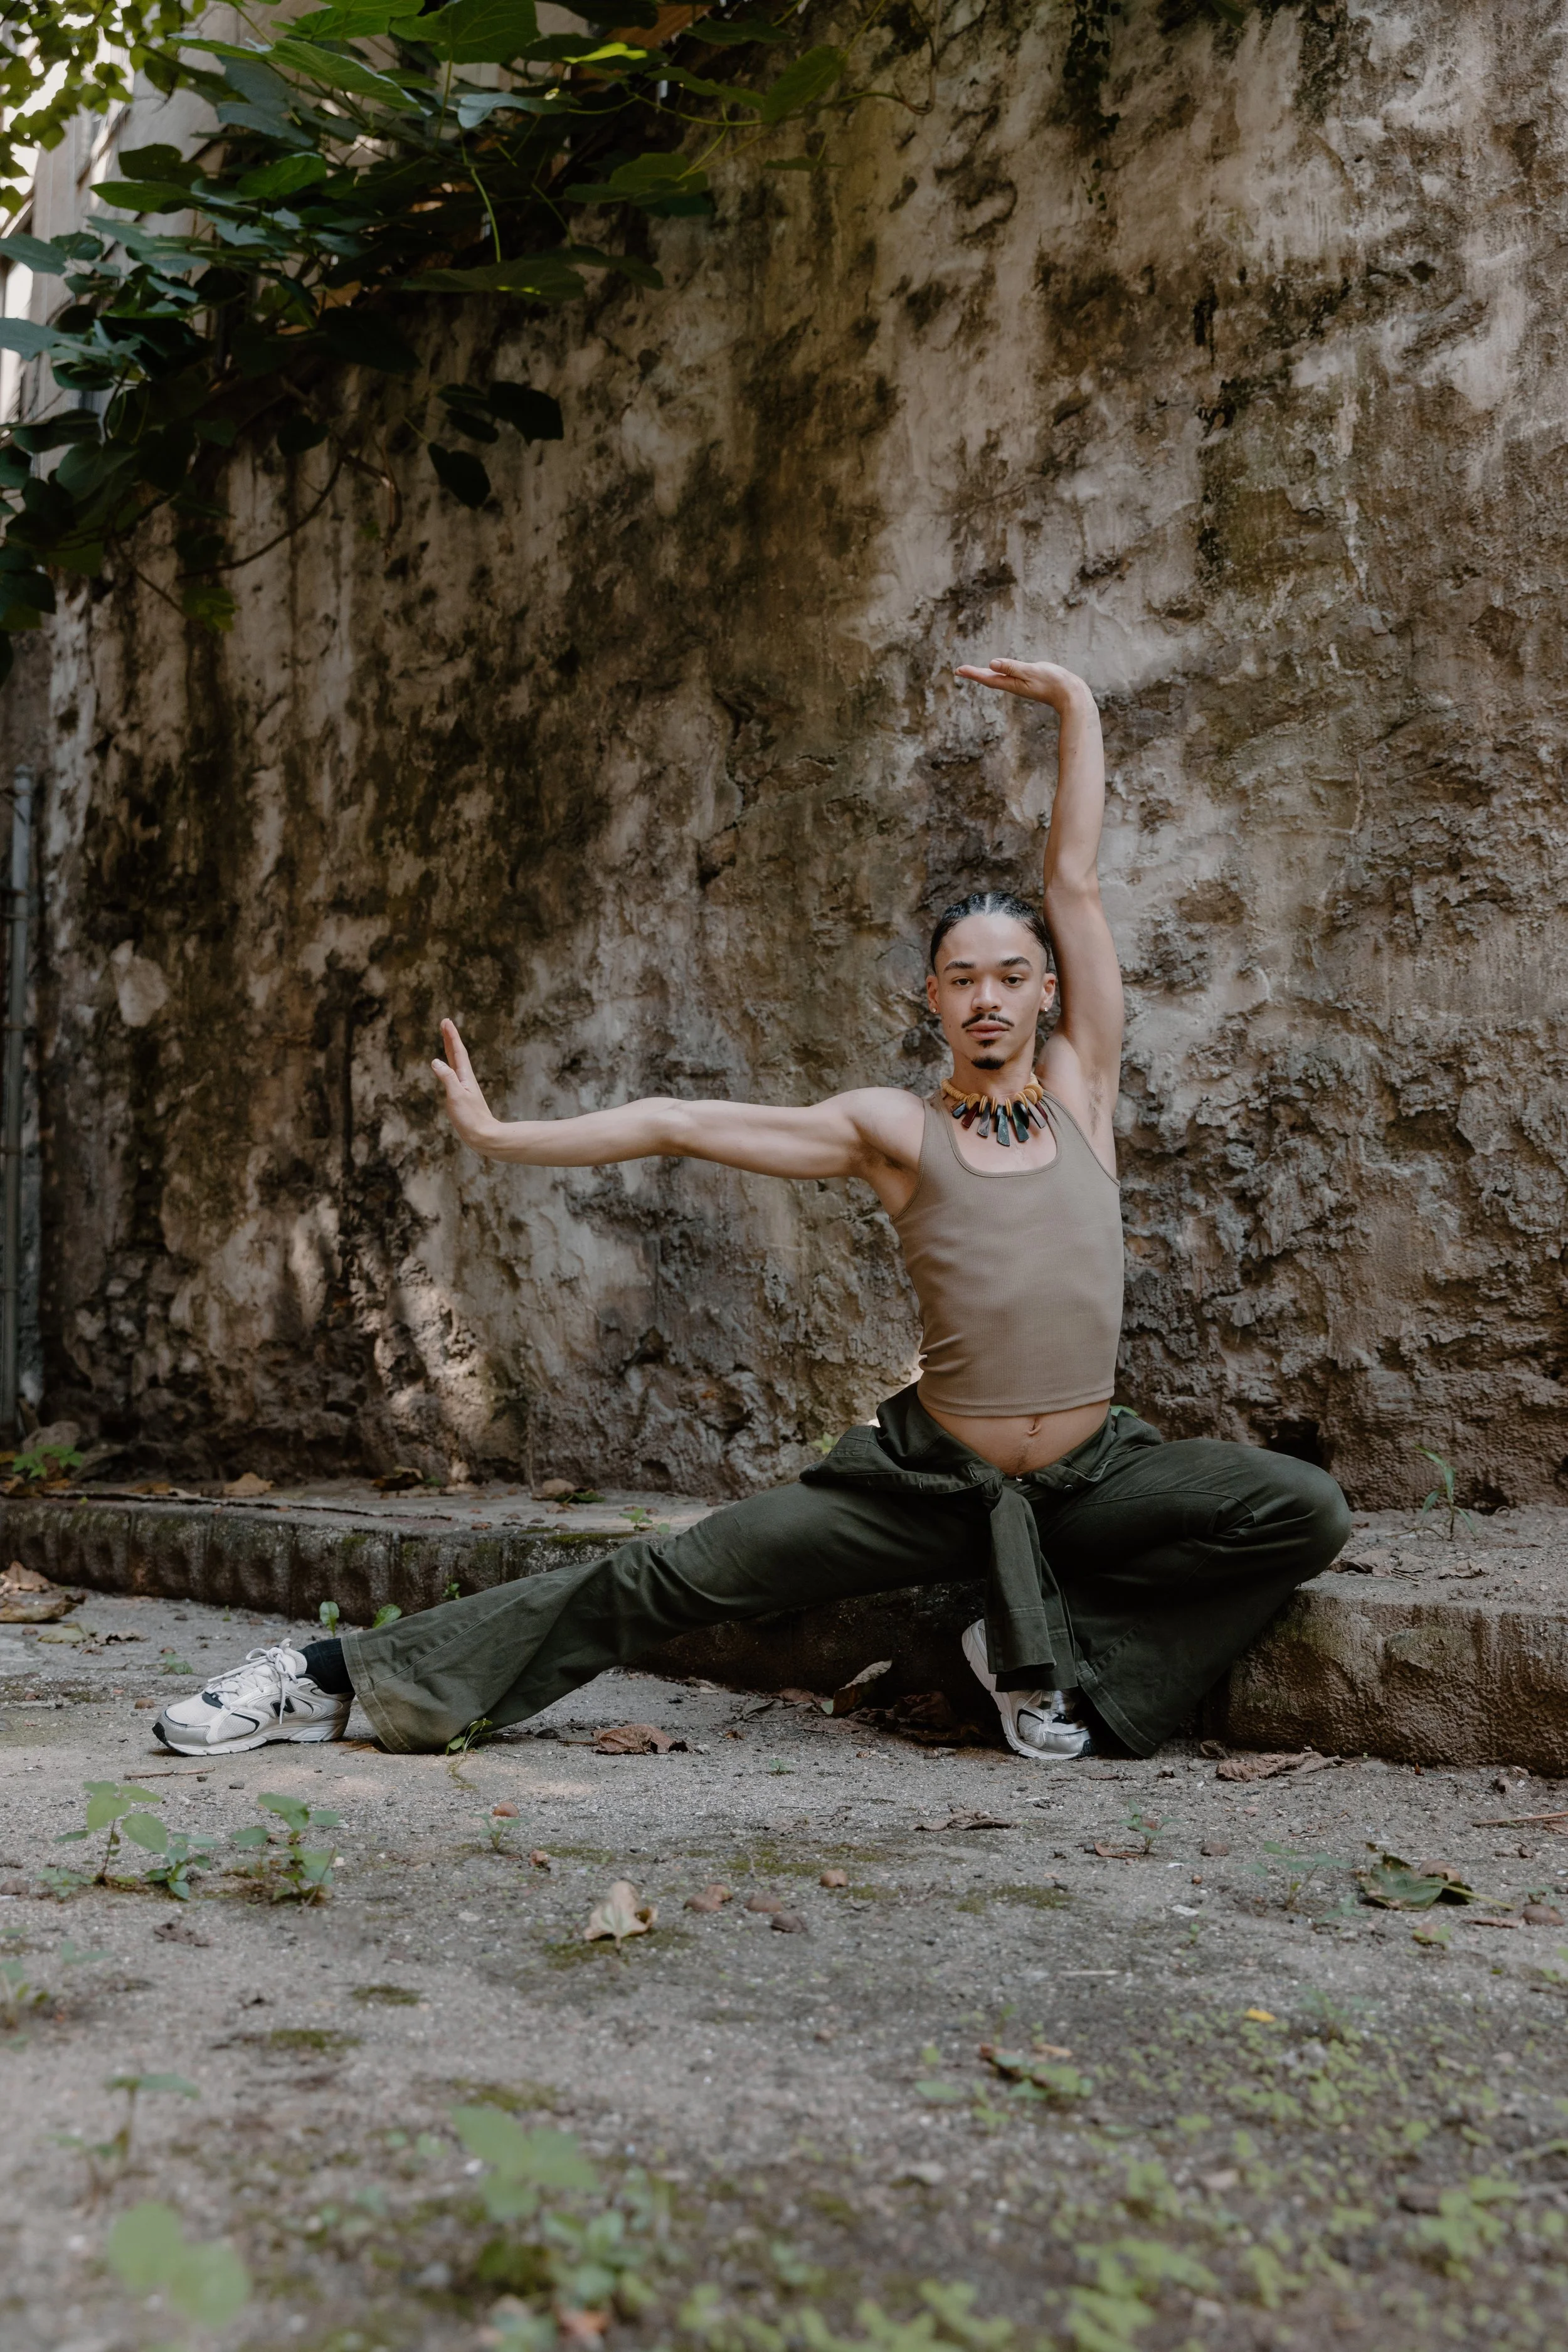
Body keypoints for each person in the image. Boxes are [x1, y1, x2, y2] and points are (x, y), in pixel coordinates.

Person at [156, 658, 1350, 1762]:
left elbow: (1073, 878)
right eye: (962, 978)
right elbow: (677, 1117)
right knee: (674, 1575)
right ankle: (329, 1674)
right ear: (931, 997)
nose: (988, 997)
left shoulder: (1086, 1092)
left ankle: (1059, 1663)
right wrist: (497, 1132)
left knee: (1301, 1510)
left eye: (1013, 975)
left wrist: (1076, 706)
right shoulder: (892, 1131)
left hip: (1096, 1477)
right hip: (926, 1490)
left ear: (1047, 991)